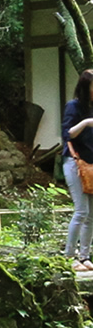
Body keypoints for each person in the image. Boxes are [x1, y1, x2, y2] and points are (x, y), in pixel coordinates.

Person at [62, 69, 93, 271]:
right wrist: (86, 123)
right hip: (75, 162)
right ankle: (69, 256)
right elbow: (67, 134)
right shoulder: (74, 106)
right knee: (81, 211)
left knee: (91, 215)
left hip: (91, 166)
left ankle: (85, 257)